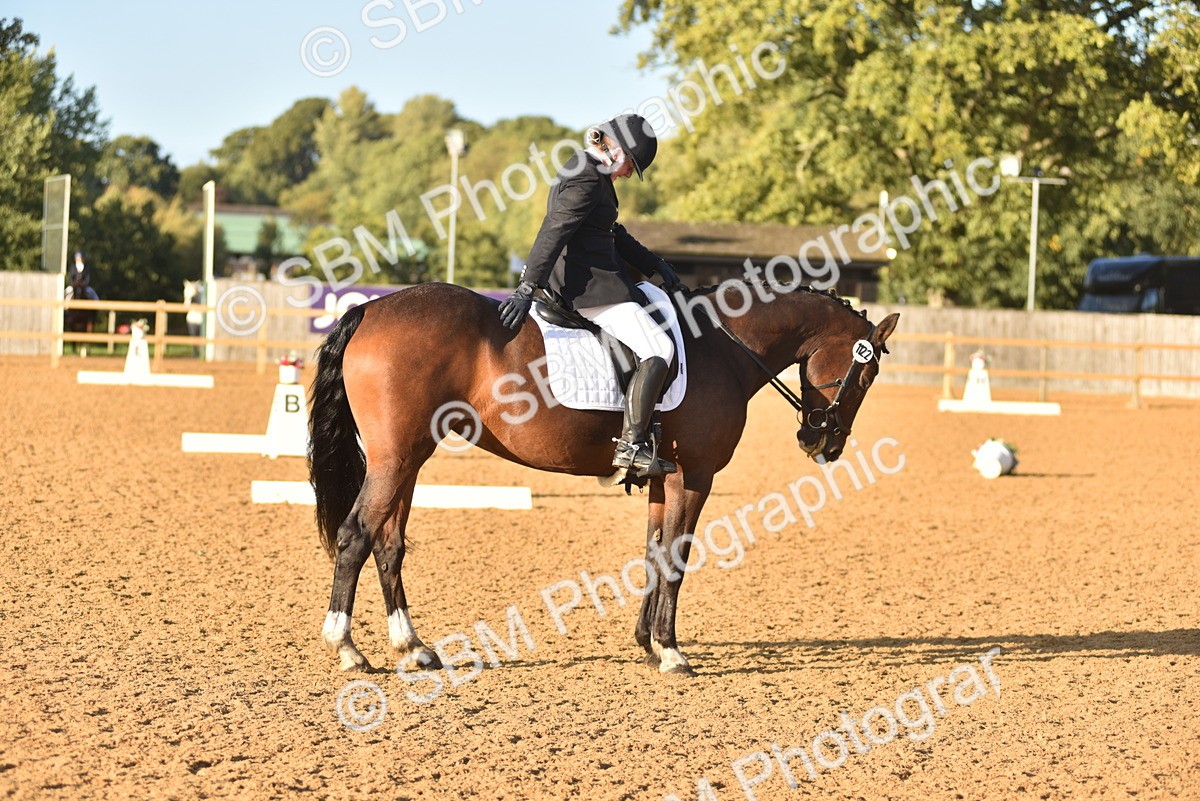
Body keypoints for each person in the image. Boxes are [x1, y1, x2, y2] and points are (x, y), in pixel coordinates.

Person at [498, 113, 684, 478]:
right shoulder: (587, 176)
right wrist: (526, 286)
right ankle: (632, 446)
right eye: (631, 164)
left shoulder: (586, 169)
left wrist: (656, 265)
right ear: (617, 150)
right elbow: (555, 229)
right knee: (659, 349)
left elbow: (611, 232)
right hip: (592, 291)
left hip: (594, 283)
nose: (630, 174)